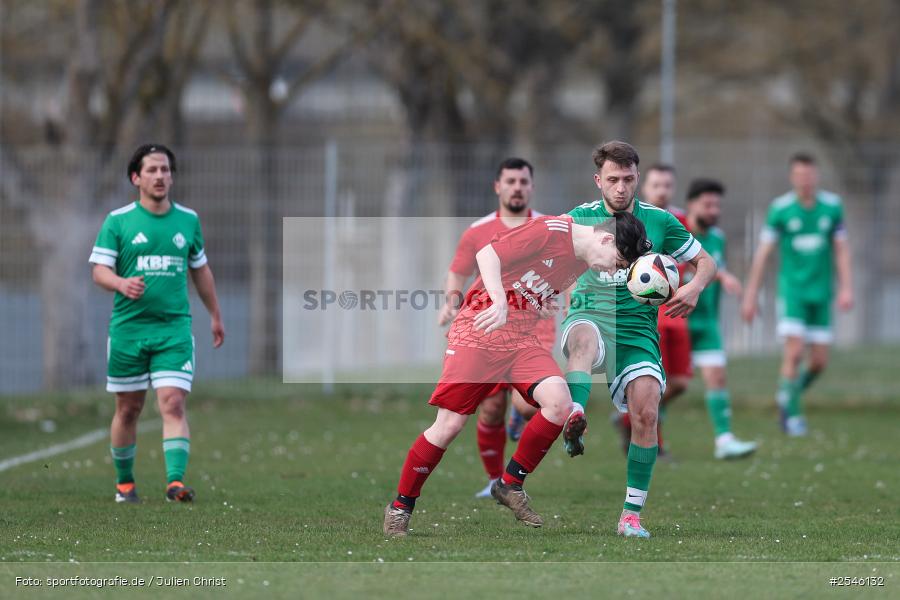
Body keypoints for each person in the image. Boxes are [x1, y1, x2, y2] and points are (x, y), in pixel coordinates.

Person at [383, 212, 649, 538]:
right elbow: (488, 255)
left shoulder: (583, 259)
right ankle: (400, 507)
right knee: (449, 426)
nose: (612, 269)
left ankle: (510, 484)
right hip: (480, 331)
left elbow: (535, 279)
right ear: (606, 238)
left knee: (560, 404)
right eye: (617, 261)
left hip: (521, 339)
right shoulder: (550, 230)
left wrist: (543, 301)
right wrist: (499, 301)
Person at [560, 141, 717, 538]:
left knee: (646, 413)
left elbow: (705, 262)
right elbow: (544, 255)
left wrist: (695, 287)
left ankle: (630, 517)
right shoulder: (578, 219)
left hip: (637, 331)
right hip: (590, 314)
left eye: (628, 179)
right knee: (583, 341)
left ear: (638, 179)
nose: (621, 188)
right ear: (599, 181)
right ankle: (575, 412)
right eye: (612, 180)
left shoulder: (660, 221)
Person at [89, 144, 225, 503]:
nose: (160, 176)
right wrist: (120, 283)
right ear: (136, 177)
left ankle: (174, 484)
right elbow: (99, 271)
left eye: (165, 170)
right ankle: (125, 484)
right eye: (152, 170)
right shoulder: (118, 221)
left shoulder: (188, 220)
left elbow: (201, 269)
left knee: (173, 402)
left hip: (173, 329)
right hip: (129, 331)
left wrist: (214, 315)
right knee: (128, 408)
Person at [436, 157, 548, 499]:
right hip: (488, 325)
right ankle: (494, 479)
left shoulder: (547, 226)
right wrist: (451, 303)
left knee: (530, 403)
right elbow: (459, 270)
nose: (517, 188)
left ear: (531, 186)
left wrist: (575, 303)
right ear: (497, 186)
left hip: (535, 327)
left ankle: (520, 415)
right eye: (511, 181)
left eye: (523, 182)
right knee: (490, 407)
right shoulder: (478, 230)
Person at [741, 153, 852, 436]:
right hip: (792, 292)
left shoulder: (832, 207)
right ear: (793, 178)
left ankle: (786, 397)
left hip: (821, 294)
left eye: (810, 175)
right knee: (794, 351)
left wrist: (846, 287)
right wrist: (751, 295)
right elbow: (763, 254)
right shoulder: (780, 209)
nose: (805, 180)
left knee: (818, 362)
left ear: (816, 176)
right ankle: (791, 415)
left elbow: (840, 249)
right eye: (800, 175)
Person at [612, 163, 692, 455]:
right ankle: (651, 440)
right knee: (653, 382)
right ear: (645, 187)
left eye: (667, 186)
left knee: (681, 382)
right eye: (657, 185)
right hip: (646, 313)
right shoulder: (630, 223)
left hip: (674, 312)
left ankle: (626, 418)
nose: (662, 191)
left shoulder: (679, 219)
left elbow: (693, 259)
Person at [683, 179, 757, 459]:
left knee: (717, 376)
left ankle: (724, 440)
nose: (714, 210)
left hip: (707, 322)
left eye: (717, 204)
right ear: (692, 205)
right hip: (676, 321)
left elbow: (715, 268)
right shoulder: (677, 232)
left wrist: (725, 277)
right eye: (708, 204)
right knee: (666, 385)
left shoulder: (718, 238)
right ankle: (643, 432)